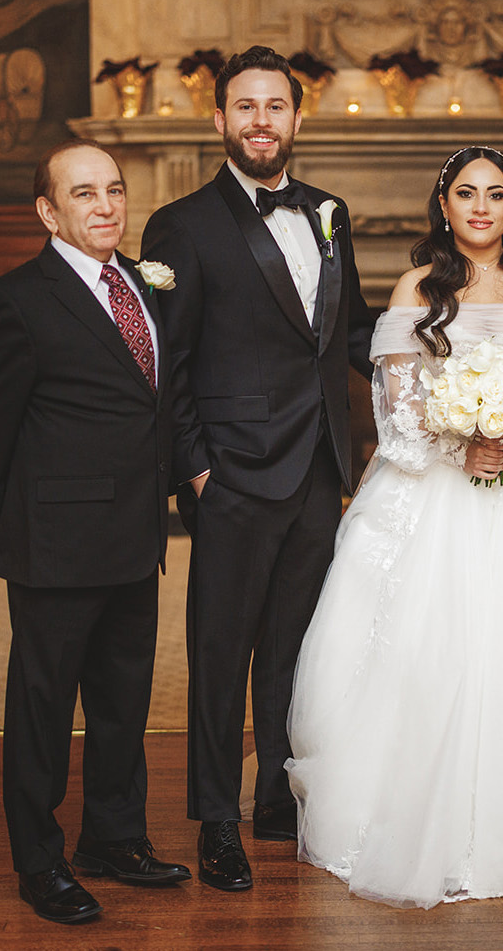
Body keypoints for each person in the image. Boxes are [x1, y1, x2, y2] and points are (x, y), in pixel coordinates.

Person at [286, 147, 503, 908]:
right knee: (431, 643)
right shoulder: (415, 287)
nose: (481, 207)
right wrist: (460, 440)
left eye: (496, 194)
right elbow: (397, 406)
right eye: (466, 193)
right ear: (444, 205)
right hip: (439, 487)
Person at [140, 45, 375, 892]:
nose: (261, 121)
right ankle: (216, 819)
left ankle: (276, 794)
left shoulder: (329, 212)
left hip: (317, 467)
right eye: (245, 106)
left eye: (275, 106)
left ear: (297, 118)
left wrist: (442, 350)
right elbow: (167, 359)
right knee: (221, 650)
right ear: (220, 119)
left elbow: (351, 331)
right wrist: (195, 469)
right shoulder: (182, 224)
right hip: (233, 472)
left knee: (292, 646)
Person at [0, 138, 191, 923]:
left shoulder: (144, 284)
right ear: (48, 211)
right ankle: (39, 861)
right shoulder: (16, 299)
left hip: (136, 535)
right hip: (55, 541)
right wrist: (2, 518)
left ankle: (113, 838)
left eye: (114, 189)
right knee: (45, 708)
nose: (105, 205)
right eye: (84, 193)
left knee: (123, 702)